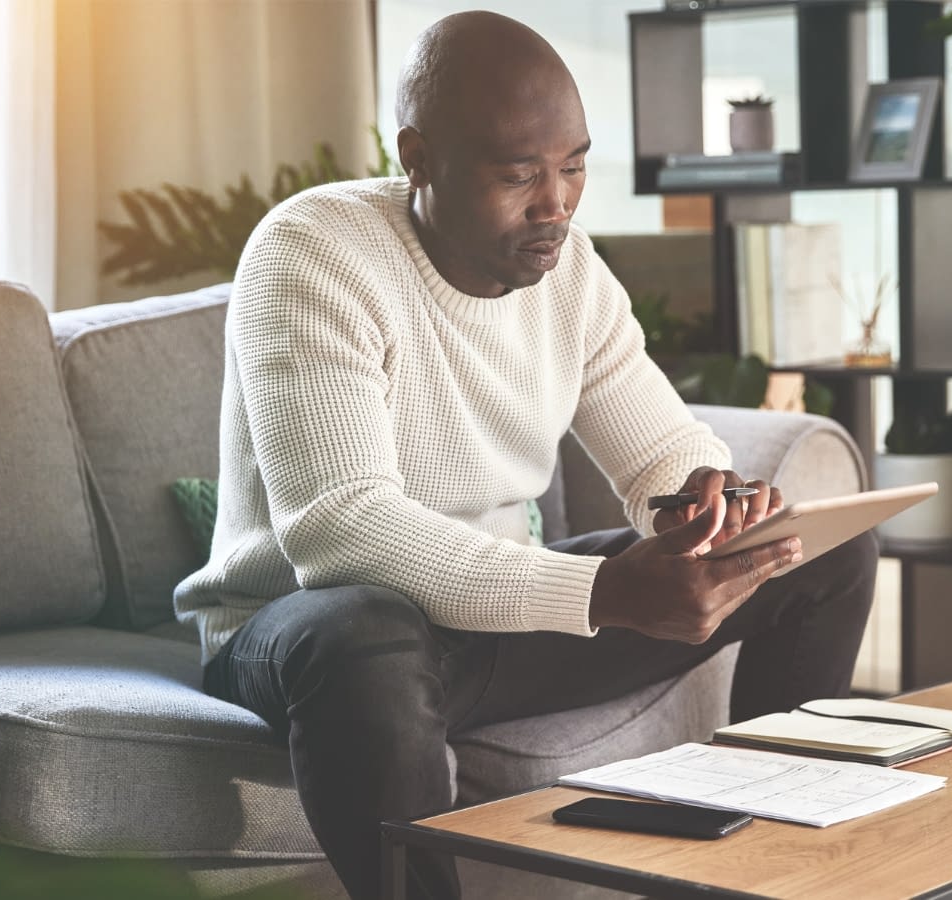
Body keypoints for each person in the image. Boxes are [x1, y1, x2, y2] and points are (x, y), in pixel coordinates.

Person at [174, 10, 878, 899]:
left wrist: (709, 502)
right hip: (303, 630)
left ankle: (775, 873)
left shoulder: (569, 270)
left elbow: (659, 446)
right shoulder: (313, 251)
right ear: (419, 159)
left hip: (488, 628)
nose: (555, 204)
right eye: (518, 175)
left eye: (574, 167)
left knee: (818, 550)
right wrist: (602, 592)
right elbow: (339, 531)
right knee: (366, 630)